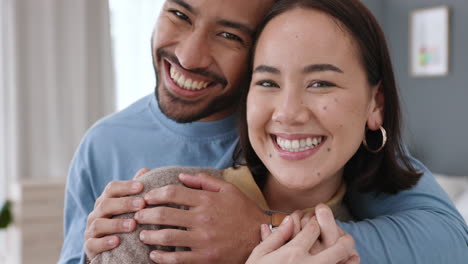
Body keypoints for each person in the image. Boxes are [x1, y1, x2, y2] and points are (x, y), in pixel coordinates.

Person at [58, 0, 468, 263]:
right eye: (180, 14)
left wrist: (262, 230)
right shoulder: (105, 145)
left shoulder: (342, 153)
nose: (189, 55)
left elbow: (448, 241)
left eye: (229, 35)